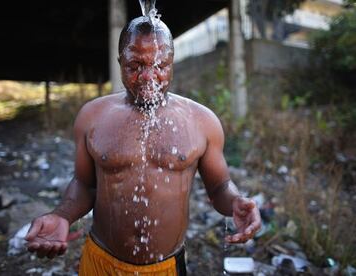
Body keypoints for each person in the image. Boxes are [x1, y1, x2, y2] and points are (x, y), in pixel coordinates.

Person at [25, 15, 261, 275]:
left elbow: (219, 187)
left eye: (160, 65)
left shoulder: (201, 121)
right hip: (101, 261)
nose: (149, 76)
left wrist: (237, 201)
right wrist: (62, 216)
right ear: (120, 63)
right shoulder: (93, 117)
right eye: (135, 65)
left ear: (172, 63)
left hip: (166, 267)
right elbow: (84, 184)